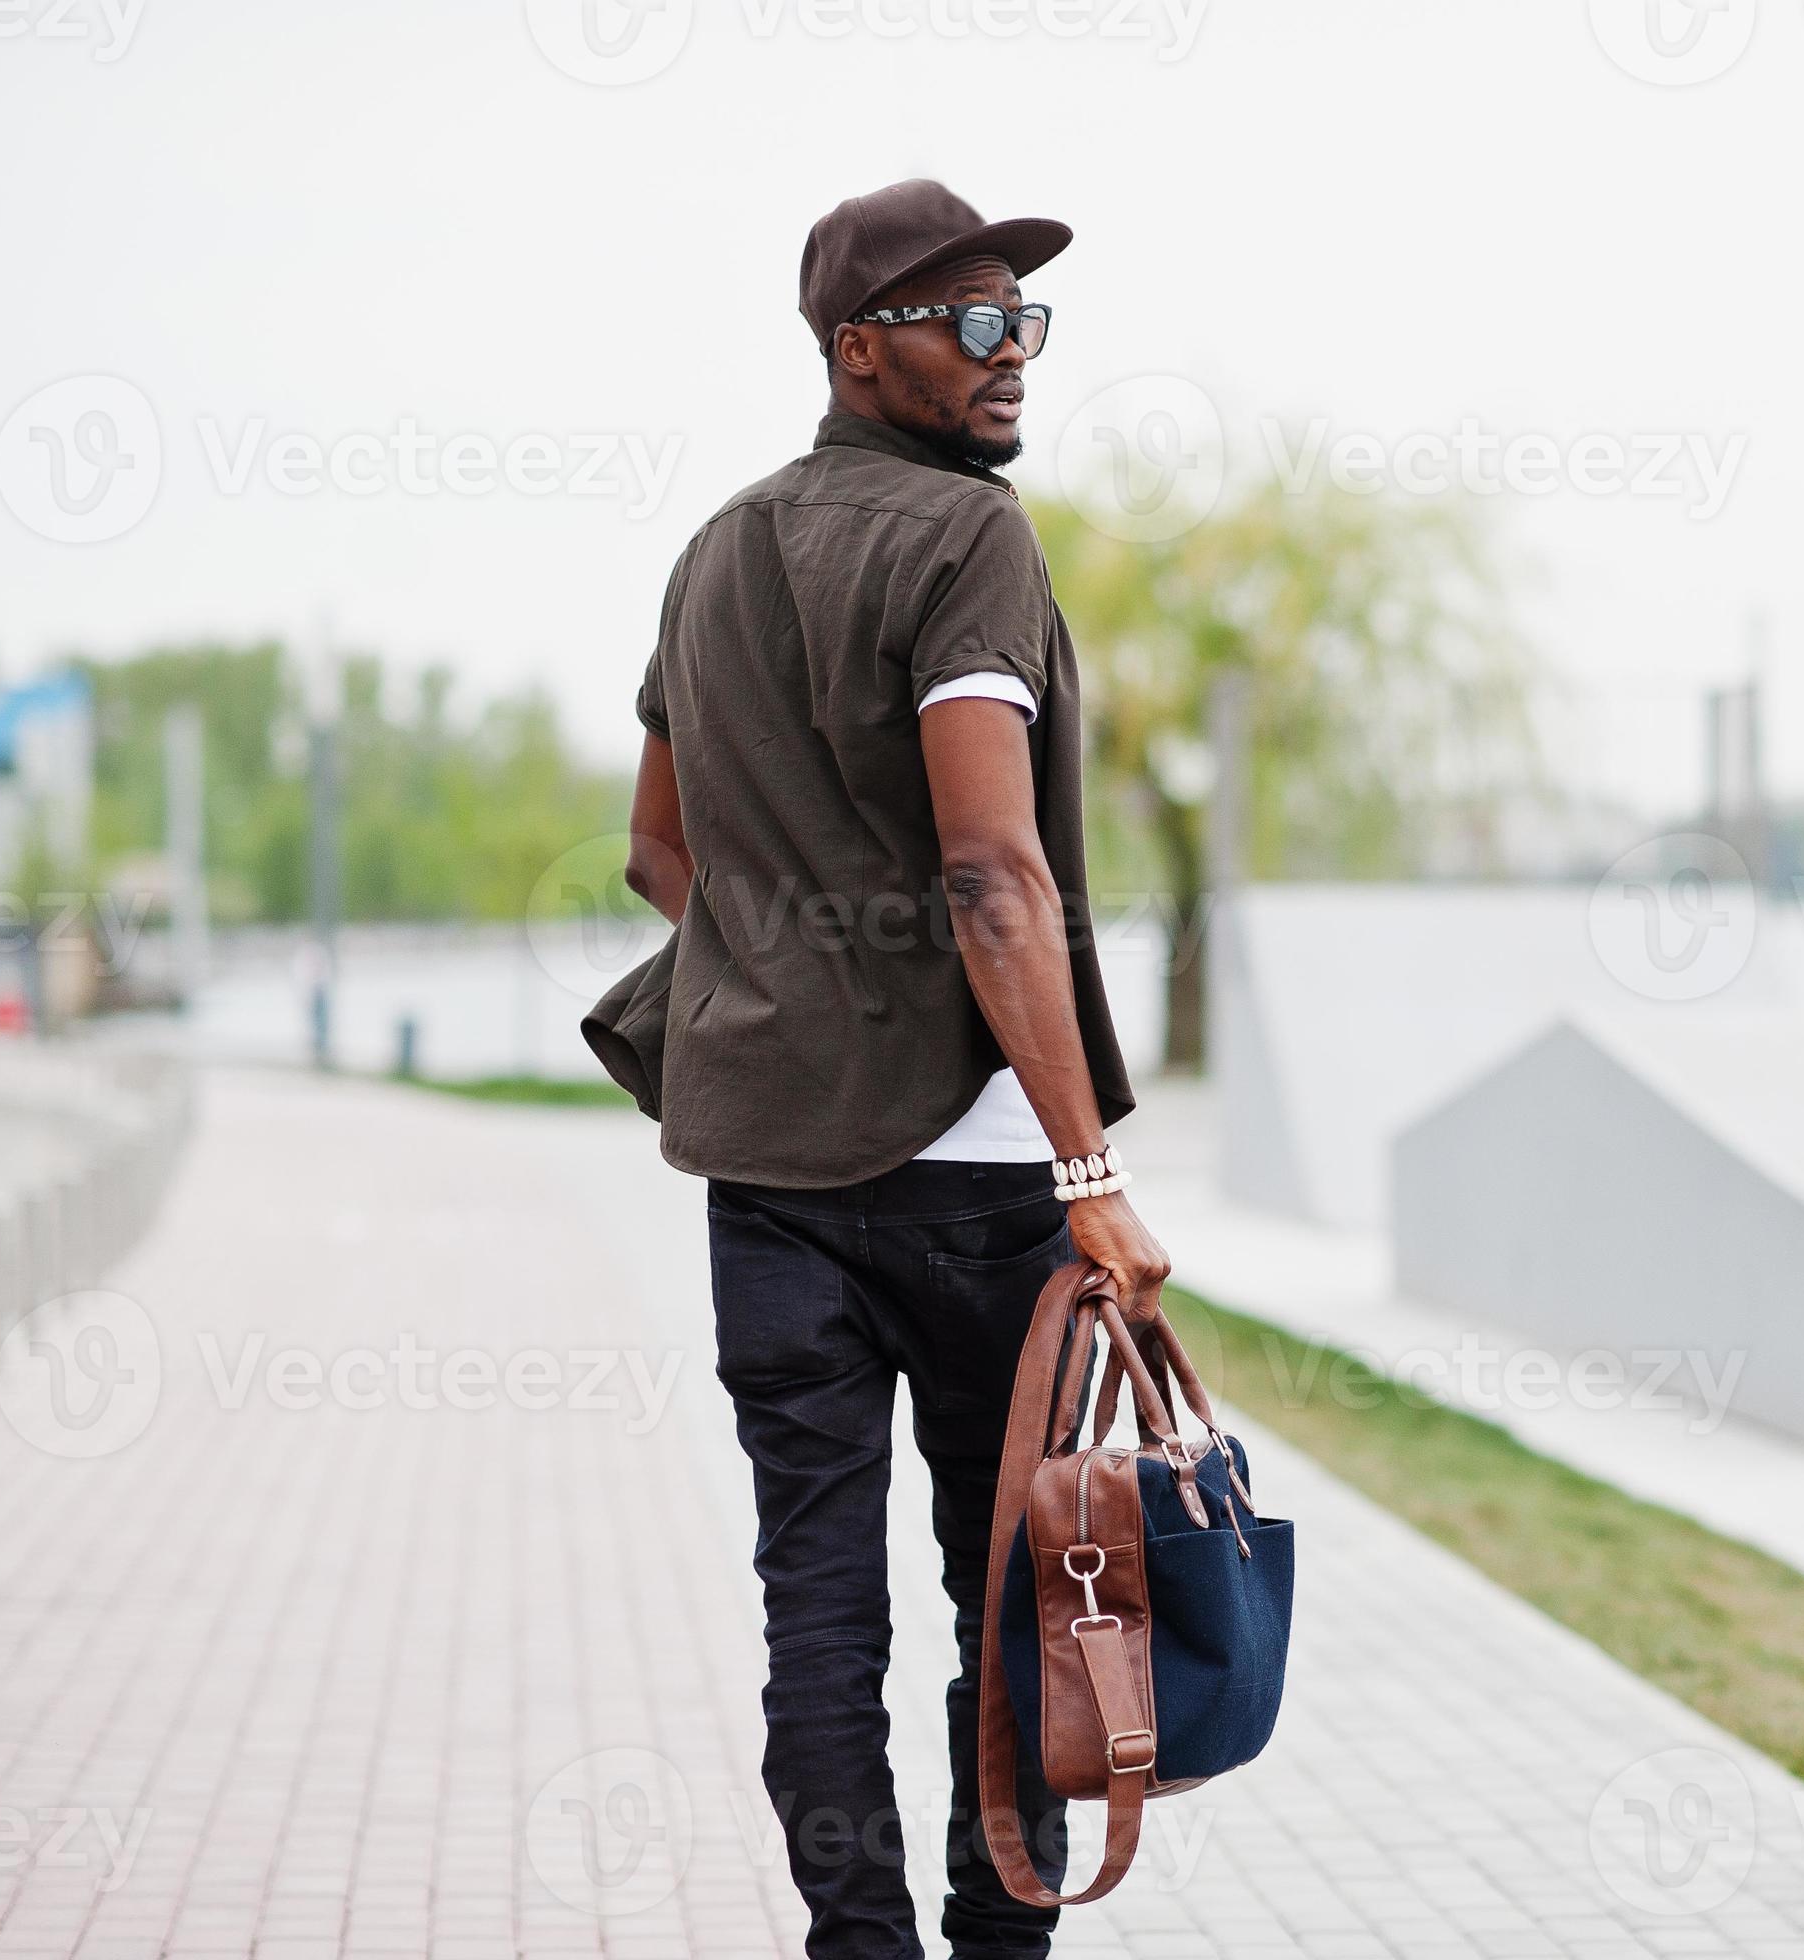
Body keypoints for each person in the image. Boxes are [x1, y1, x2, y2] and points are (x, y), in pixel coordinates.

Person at [619, 180, 1168, 1960]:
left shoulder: (713, 552)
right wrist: (1091, 1175)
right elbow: (992, 870)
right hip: (983, 1181)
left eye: (1027, 322)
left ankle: (855, 1946)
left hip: (769, 1180)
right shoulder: (966, 546)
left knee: (819, 1611)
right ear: (861, 351)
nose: (1013, 359)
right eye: (971, 323)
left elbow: (657, 853)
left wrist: (790, 986)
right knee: (1010, 1604)